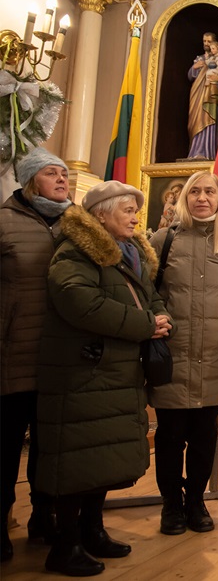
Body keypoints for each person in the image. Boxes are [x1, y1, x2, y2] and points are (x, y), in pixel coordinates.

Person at [36, 180, 172, 576]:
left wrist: (163, 320)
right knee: (78, 461)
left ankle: (92, 531)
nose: (135, 217)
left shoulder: (129, 253)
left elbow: (151, 296)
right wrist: (146, 325)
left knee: (101, 459)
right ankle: (64, 545)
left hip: (114, 370)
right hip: (83, 372)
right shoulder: (76, 251)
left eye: (135, 210)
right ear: (100, 214)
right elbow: (81, 302)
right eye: (127, 210)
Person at [149, 171, 218, 536]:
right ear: (184, 198)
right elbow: (151, 289)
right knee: (171, 434)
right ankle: (171, 506)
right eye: (195, 191)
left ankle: (196, 501)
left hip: (215, 353)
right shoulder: (164, 239)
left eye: (210, 191)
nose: (202, 198)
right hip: (174, 350)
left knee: (206, 434)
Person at [0, 148, 72, 562]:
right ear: (30, 180)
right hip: (13, 355)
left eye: (65, 174)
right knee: (6, 448)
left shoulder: (78, 223)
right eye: (51, 173)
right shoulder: (5, 221)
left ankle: (45, 519)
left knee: (52, 449)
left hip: (61, 358)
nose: (63, 180)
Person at [187, 32, 218, 159]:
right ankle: (195, 151)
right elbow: (190, 75)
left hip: (212, 95)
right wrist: (194, 67)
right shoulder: (200, 59)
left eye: (209, 41)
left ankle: (209, 152)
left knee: (210, 120)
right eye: (204, 41)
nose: (206, 44)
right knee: (196, 119)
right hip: (198, 93)